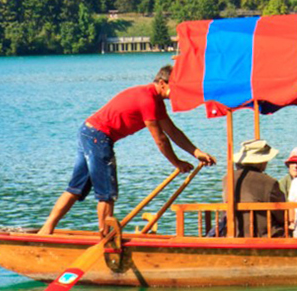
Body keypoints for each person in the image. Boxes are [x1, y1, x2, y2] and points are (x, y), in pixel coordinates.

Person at [39, 65, 218, 236]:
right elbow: (161, 139)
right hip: (98, 136)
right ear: (162, 83)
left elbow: (172, 131)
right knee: (107, 193)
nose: (178, 93)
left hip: (88, 131)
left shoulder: (155, 101)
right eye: (176, 87)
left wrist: (196, 152)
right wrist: (176, 162)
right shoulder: (147, 99)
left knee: (76, 188)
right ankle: (106, 240)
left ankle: (47, 229)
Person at [231, 138, 286, 237]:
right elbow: (282, 214)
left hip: (235, 232)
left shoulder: (228, 179)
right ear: (261, 162)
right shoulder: (269, 182)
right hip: (265, 235)